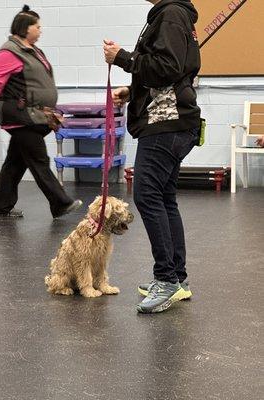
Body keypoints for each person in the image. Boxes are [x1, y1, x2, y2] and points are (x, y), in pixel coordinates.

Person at [104, 0, 201, 313]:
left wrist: (122, 57)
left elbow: (167, 68)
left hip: (165, 124)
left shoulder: (171, 14)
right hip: (173, 121)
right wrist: (132, 92)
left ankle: (167, 280)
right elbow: (172, 72)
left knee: (147, 196)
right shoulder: (174, 15)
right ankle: (178, 279)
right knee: (163, 198)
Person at [0, 5, 82, 218]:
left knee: (15, 161)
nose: (40, 30)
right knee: (39, 159)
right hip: (20, 115)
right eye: (37, 26)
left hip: (33, 115)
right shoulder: (9, 52)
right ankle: (59, 203)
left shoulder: (33, 50)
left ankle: (1, 205)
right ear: (26, 28)